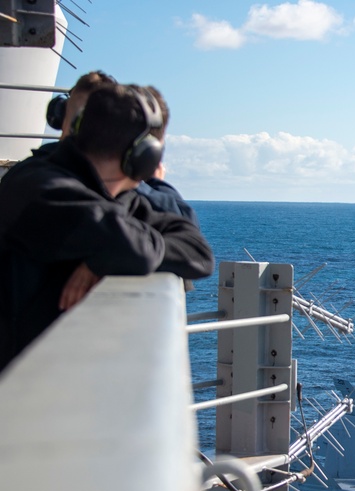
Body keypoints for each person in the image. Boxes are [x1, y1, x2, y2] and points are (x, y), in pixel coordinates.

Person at [0, 83, 214, 371]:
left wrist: (101, 260)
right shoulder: (41, 189)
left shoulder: (109, 194)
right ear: (145, 158)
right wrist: (116, 251)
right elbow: (130, 246)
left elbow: (198, 253)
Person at [40, 71, 198, 225]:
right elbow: (185, 225)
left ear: (60, 116)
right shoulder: (119, 201)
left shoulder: (29, 172)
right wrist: (154, 181)